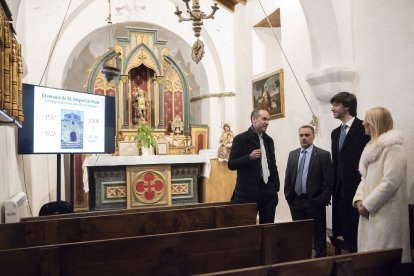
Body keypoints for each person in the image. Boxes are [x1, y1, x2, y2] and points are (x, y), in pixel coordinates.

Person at [353, 107, 411, 271]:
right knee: (371, 263)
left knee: (385, 264)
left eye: (366, 120)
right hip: (370, 212)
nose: (363, 123)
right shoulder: (371, 148)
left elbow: (391, 182)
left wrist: (368, 205)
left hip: (386, 214)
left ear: (375, 123)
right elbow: (364, 178)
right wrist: (359, 200)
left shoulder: (394, 148)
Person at [284, 125, 333, 257]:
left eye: (307, 135)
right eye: (301, 135)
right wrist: (289, 197)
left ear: (313, 136)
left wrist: (322, 199)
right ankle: (301, 261)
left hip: (315, 202)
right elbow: (288, 177)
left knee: (319, 235)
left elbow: (328, 181)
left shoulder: (323, 155)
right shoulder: (293, 155)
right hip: (296, 201)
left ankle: (321, 263)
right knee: (299, 234)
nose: (304, 138)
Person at [330, 92, 370, 252]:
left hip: (357, 190)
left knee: (357, 235)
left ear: (347, 106)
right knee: (345, 232)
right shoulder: (335, 133)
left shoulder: (363, 129)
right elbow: (337, 163)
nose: (332, 109)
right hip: (339, 191)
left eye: (335, 105)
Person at [228, 108, 280, 224]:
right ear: (254, 119)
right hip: (247, 193)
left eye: (268, 120)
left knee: (267, 228)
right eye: (264, 119)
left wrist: (275, 187)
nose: (267, 122)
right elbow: (231, 164)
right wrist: (249, 158)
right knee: (245, 230)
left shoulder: (269, 140)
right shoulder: (241, 139)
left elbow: (272, 165)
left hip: (268, 192)